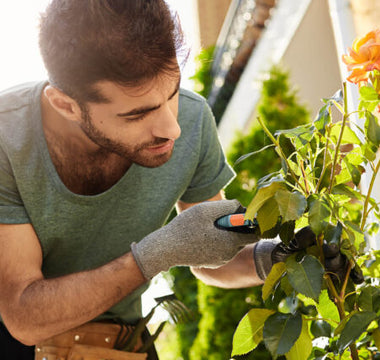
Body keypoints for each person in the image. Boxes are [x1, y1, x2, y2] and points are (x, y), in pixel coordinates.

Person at [0, 1, 351, 359]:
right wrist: (155, 254)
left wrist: (281, 256)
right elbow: (24, 318)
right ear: (66, 105)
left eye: (171, 94)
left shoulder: (195, 120)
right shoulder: (6, 139)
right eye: (138, 114)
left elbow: (211, 258)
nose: (173, 128)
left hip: (120, 341)